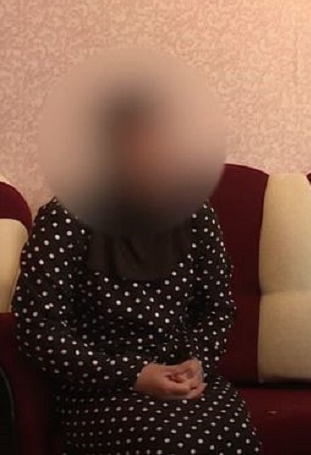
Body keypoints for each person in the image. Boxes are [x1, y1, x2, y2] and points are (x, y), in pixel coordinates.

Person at [12, 90, 262, 454]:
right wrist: (133, 375)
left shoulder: (195, 214)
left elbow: (218, 307)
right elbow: (37, 328)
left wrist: (196, 364)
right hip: (99, 386)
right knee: (171, 445)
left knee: (234, 439)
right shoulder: (66, 217)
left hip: (182, 375)